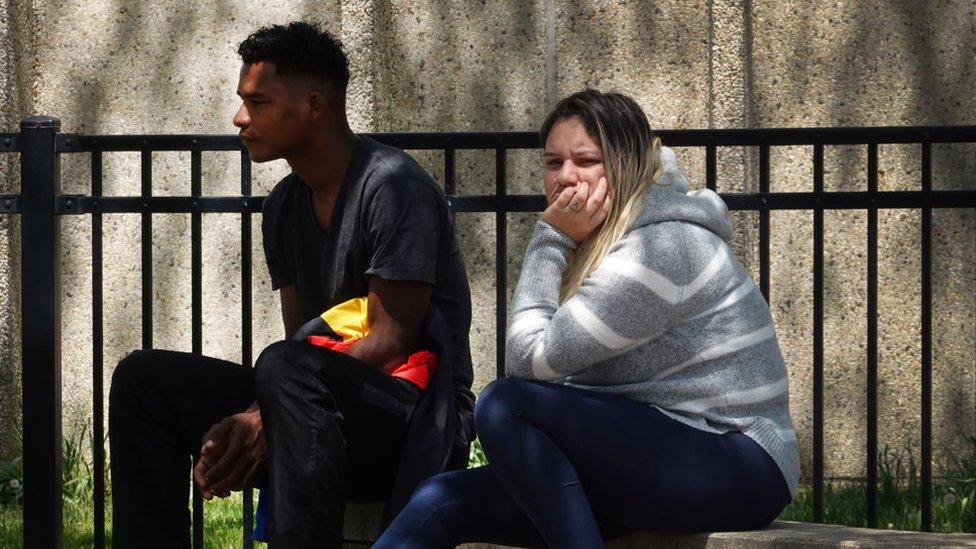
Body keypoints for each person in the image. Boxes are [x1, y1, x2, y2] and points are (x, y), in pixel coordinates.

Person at [374, 89, 800, 548]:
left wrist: (549, 238)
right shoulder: (604, 243)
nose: (566, 178)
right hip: (657, 456)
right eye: (553, 163)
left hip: (738, 460)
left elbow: (528, 362)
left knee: (505, 404)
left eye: (586, 160)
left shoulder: (661, 250)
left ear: (627, 165)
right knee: (439, 500)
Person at [108, 21, 475, 548]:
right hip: (318, 409)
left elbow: (393, 339)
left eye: (257, 103)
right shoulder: (283, 206)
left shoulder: (394, 187)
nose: (240, 118)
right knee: (145, 380)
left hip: (412, 421)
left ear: (312, 105)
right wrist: (257, 416)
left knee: (285, 366)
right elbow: (307, 343)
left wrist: (265, 413)